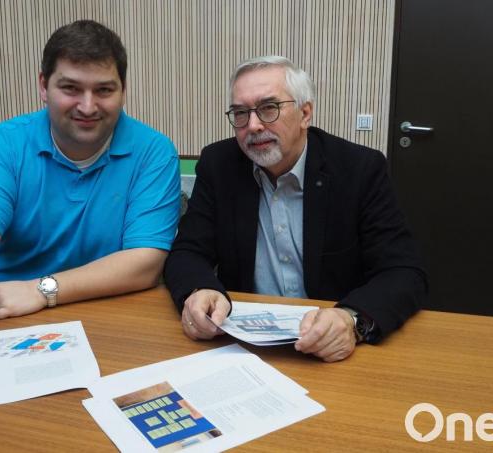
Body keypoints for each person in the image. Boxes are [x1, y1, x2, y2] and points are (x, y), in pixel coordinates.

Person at [0, 20, 181, 395]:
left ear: (123, 91)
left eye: (104, 90)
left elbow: (146, 262)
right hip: (4, 311)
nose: (87, 105)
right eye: (70, 88)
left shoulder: (154, 151)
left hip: (110, 304)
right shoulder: (0, 145)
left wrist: (43, 289)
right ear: (43, 86)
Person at [164, 56, 427, 362]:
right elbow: (187, 251)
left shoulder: (359, 169)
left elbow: (404, 272)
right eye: (240, 113)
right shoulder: (218, 164)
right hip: (242, 348)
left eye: (268, 108)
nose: (253, 125)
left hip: (332, 350)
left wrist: (351, 319)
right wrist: (199, 290)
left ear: (305, 113)